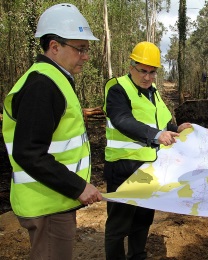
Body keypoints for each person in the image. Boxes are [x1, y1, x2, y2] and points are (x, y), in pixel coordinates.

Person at [1, 3, 102, 260]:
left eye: (87, 49)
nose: (86, 56)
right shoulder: (42, 85)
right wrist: (78, 186)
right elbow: (29, 153)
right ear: (54, 47)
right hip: (47, 204)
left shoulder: (54, 79)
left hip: (54, 199)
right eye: (80, 49)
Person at [103, 41, 191, 260]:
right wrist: (156, 135)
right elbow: (122, 120)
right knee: (119, 226)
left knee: (142, 220)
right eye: (143, 71)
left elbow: (161, 123)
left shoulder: (154, 93)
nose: (148, 77)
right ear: (131, 66)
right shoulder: (117, 88)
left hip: (150, 169)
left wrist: (175, 129)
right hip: (123, 169)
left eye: (153, 72)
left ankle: (138, 256)